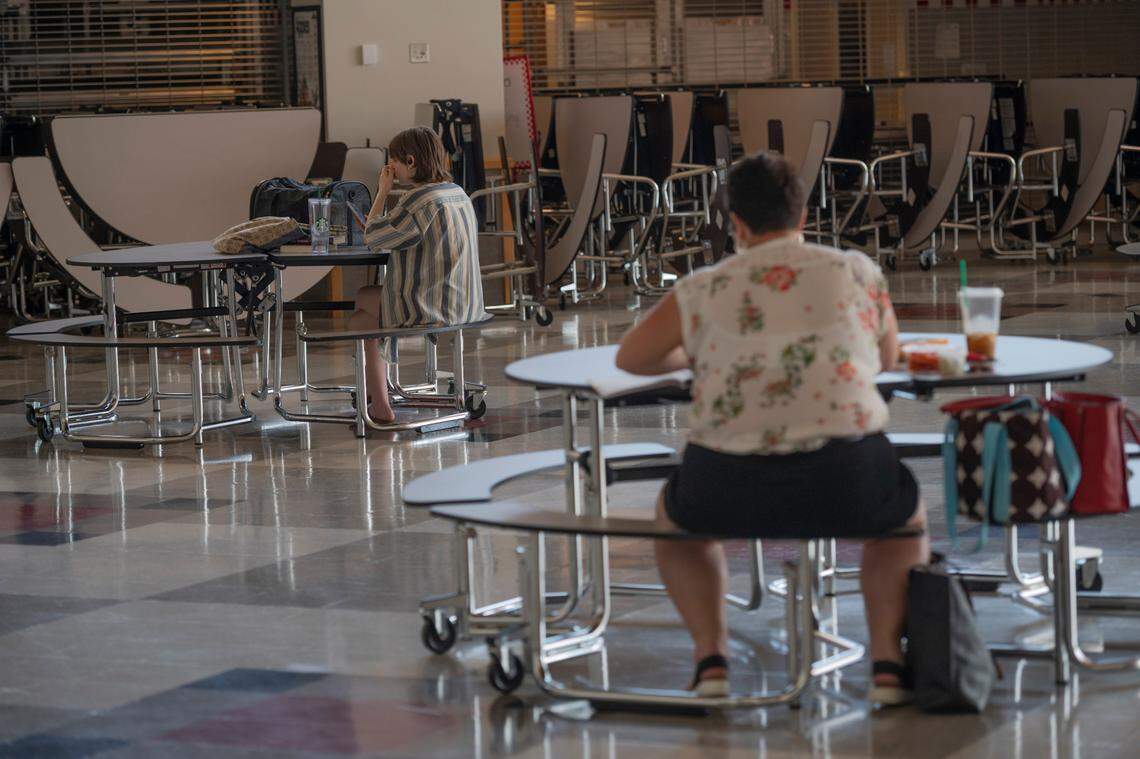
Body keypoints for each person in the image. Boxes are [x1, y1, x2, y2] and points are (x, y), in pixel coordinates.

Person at [615, 152, 929, 706]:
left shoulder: (704, 287)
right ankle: (886, 662)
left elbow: (632, 358)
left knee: (676, 524)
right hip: (847, 480)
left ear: (735, 223)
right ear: (803, 213)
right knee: (904, 521)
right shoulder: (854, 270)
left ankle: (711, 660)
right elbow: (887, 355)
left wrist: (696, 354)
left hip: (726, 486)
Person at [349, 126, 485, 422]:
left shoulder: (418, 200)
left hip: (431, 306)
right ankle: (380, 395)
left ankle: (380, 404)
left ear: (410, 162)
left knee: (362, 312)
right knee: (367, 303)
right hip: (466, 302)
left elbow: (373, 237)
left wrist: (383, 191)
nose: (391, 169)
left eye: (393, 162)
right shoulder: (456, 192)